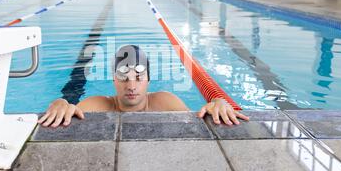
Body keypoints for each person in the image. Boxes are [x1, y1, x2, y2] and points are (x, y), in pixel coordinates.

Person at [38, 45, 249, 128]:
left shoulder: (165, 101)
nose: (131, 85)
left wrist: (218, 103)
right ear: (113, 80)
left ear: (148, 79)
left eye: (139, 77)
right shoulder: (99, 104)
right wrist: (60, 103)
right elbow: (70, 111)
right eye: (123, 77)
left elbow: (199, 121)